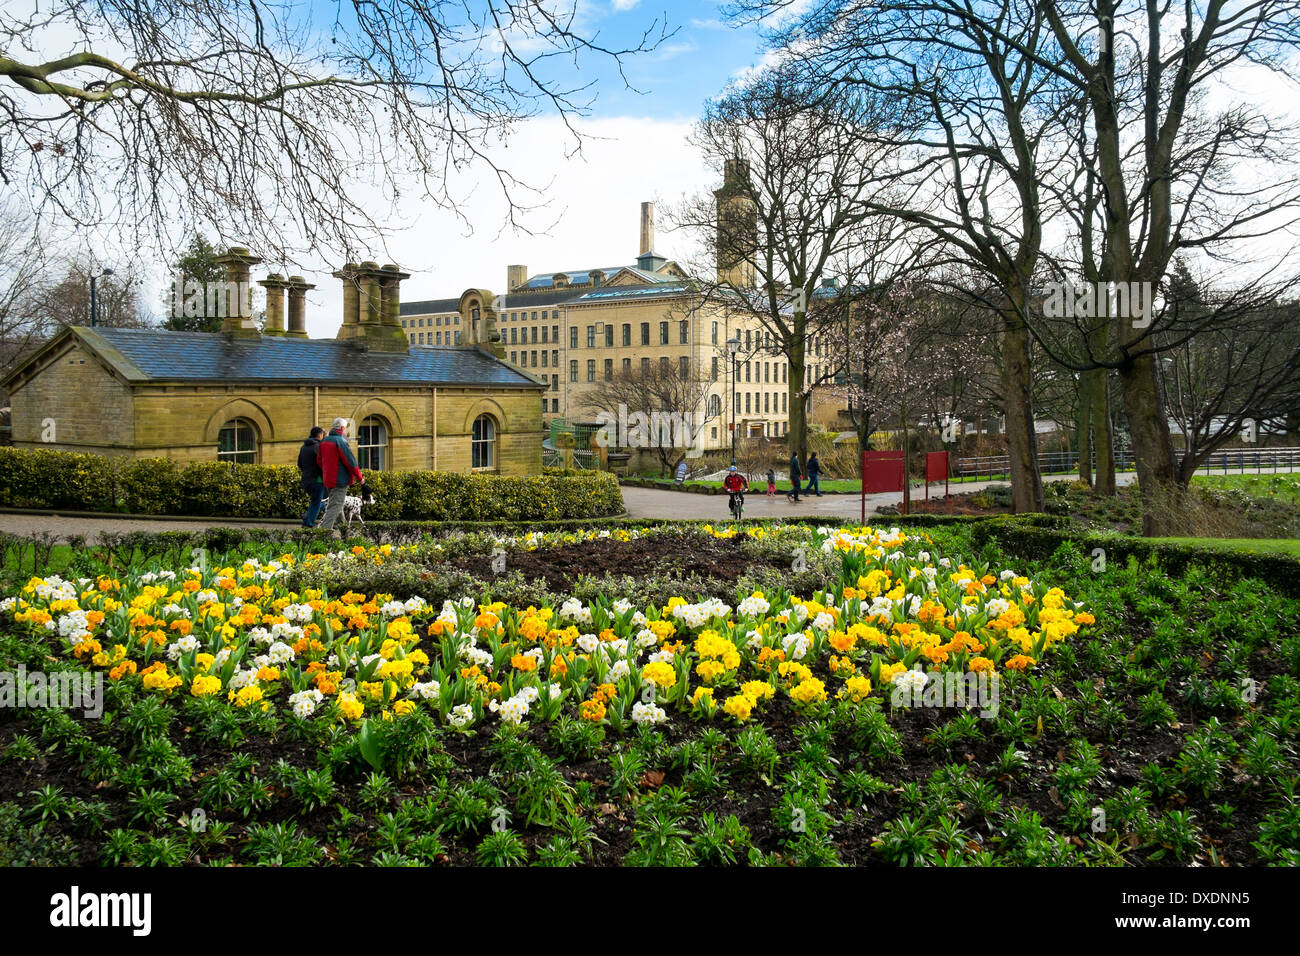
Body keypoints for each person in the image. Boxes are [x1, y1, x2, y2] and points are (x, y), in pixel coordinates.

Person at [317, 418, 363, 532]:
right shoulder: (341, 441)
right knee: (335, 506)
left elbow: (319, 461)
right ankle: (323, 533)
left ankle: (344, 532)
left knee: (338, 505)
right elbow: (351, 462)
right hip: (340, 480)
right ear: (342, 428)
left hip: (328, 479)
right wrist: (360, 477)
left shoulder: (324, 441)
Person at [297, 426, 326, 527]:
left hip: (306, 479)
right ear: (319, 435)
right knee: (317, 502)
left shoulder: (303, 447)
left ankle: (307, 520)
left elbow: (299, 464)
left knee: (316, 501)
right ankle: (308, 523)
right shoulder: (318, 446)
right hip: (318, 479)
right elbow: (321, 464)